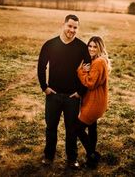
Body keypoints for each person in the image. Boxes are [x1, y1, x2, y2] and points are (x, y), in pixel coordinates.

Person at [37, 14, 90, 170]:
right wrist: (44, 87)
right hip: (53, 95)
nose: (72, 30)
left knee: (71, 130)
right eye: (70, 26)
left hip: (72, 97)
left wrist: (81, 91)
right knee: (51, 127)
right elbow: (41, 66)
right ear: (63, 25)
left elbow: (89, 71)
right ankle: (48, 156)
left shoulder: (82, 47)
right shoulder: (50, 45)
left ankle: (72, 158)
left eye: (75, 27)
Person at [76, 36, 110, 169]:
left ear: (100, 47)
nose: (91, 49)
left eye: (95, 46)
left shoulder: (98, 62)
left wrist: (81, 71)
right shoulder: (99, 60)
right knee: (92, 128)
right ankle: (92, 160)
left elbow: (90, 83)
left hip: (94, 103)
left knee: (77, 128)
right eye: (89, 46)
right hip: (97, 101)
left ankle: (92, 155)